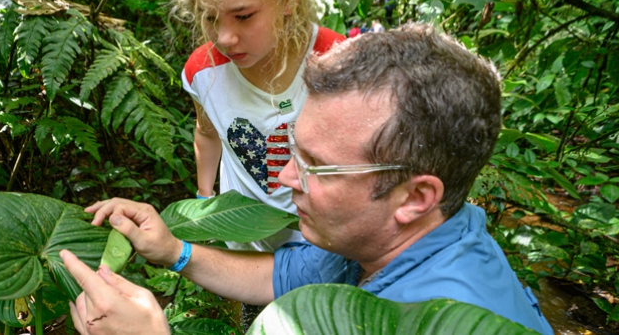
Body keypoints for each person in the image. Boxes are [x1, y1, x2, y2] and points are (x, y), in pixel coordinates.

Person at [64, 24, 554, 335]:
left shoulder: (448, 316)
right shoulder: (387, 237)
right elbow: (287, 275)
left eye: (315, 164)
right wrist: (174, 251)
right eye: (294, 150)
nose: (284, 176)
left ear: (416, 197)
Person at [174, 0, 345, 256]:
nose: (225, 37)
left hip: (324, 250)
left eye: (243, 16)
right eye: (210, 17)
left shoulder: (341, 62)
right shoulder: (203, 73)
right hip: (244, 248)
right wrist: (204, 198)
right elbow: (206, 133)